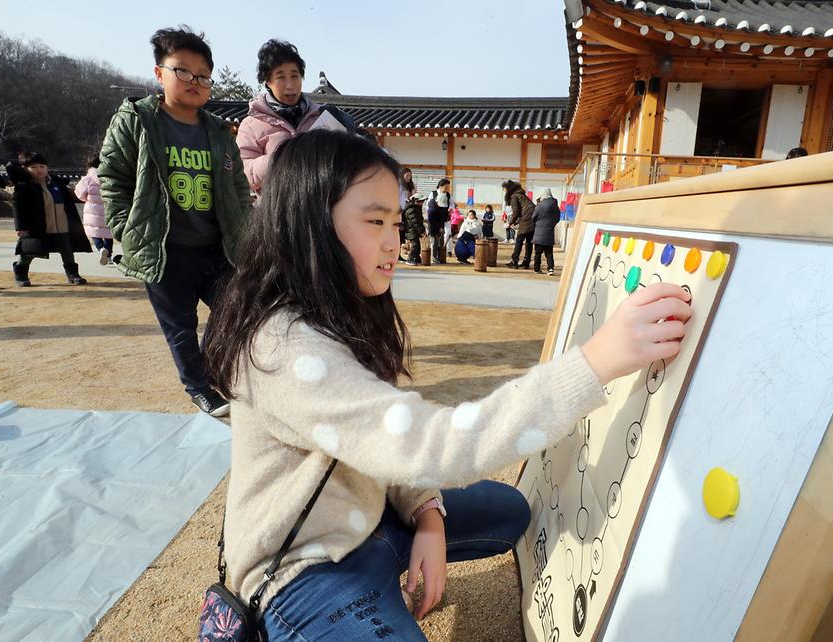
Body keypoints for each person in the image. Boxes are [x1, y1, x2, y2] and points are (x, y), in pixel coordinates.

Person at [202, 129, 692, 641]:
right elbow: (429, 445)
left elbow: (387, 444)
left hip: (370, 519)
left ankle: (390, 565)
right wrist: (594, 363)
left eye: (396, 221)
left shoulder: (343, 309)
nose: (394, 240)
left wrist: (428, 519)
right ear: (309, 226)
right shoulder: (284, 348)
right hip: (302, 571)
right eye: (374, 222)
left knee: (509, 512)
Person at [98, 26, 251, 417]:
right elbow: (112, 177)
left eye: (202, 76)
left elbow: (236, 187)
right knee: (180, 327)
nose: (194, 82)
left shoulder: (217, 131)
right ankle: (198, 387)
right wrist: (127, 229)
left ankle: (214, 372)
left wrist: (247, 232)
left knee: (236, 310)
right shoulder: (137, 120)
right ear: (159, 73)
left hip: (218, 245)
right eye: (182, 71)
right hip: (165, 247)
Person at [236, 39, 355, 193]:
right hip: (276, 212)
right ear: (267, 81)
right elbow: (240, 175)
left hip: (321, 210)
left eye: (295, 76)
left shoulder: (323, 116)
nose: (290, 84)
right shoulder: (251, 125)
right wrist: (280, 159)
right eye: (280, 77)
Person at [9, 153, 91, 287]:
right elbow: (17, 206)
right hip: (37, 224)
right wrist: (20, 227)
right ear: (26, 169)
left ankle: (73, 274)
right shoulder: (24, 185)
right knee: (29, 251)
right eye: (34, 167)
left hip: (61, 224)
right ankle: (21, 273)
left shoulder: (57, 183)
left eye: (42, 166)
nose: (39, 170)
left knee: (67, 250)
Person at [75, 156, 118, 266]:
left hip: (92, 209)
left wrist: (87, 199)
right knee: (108, 233)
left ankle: (100, 248)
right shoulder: (110, 176)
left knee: (94, 231)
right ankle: (108, 255)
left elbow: (79, 193)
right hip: (108, 208)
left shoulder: (87, 179)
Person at [503, 180, 535, 269]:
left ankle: (514, 261)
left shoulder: (514, 196)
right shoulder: (522, 195)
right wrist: (516, 222)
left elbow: (516, 212)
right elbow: (522, 211)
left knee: (519, 240)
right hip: (533, 219)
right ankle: (526, 262)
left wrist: (509, 223)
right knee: (529, 241)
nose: (505, 192)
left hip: (526, 219)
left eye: (505, 190)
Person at [531, 188, 559, 275]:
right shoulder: (555, 206)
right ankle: (550, 268)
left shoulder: (539, 206)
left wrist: (537, 224)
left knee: (538, 252)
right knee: (549, 252)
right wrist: (551, 225)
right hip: (549, 233)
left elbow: (533, 218)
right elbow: (557, 218)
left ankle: (537, 269)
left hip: (539, 233)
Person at [427, 179, 450, 263]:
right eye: (445, 187)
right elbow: (432, 219)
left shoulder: (447, 196)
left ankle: (439, 257)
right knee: (434, 242)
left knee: (440, 241)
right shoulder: (432, 207)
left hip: (440, 223)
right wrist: (439, 227)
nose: (447, 189)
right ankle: (434, 257)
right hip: (433, 225)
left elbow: (446, 210)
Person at [403, 193, 426, 266]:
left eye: (422, 201)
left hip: (414, 231)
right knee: (415, 245)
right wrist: (422, 231)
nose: (422, 203)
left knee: (417, 245)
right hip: (411, 231)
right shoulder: (412, 210)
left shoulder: (416, 209)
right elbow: (415, 222)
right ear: (415, 201)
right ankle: (410, 259)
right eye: (420, 201)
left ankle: (417, 259)